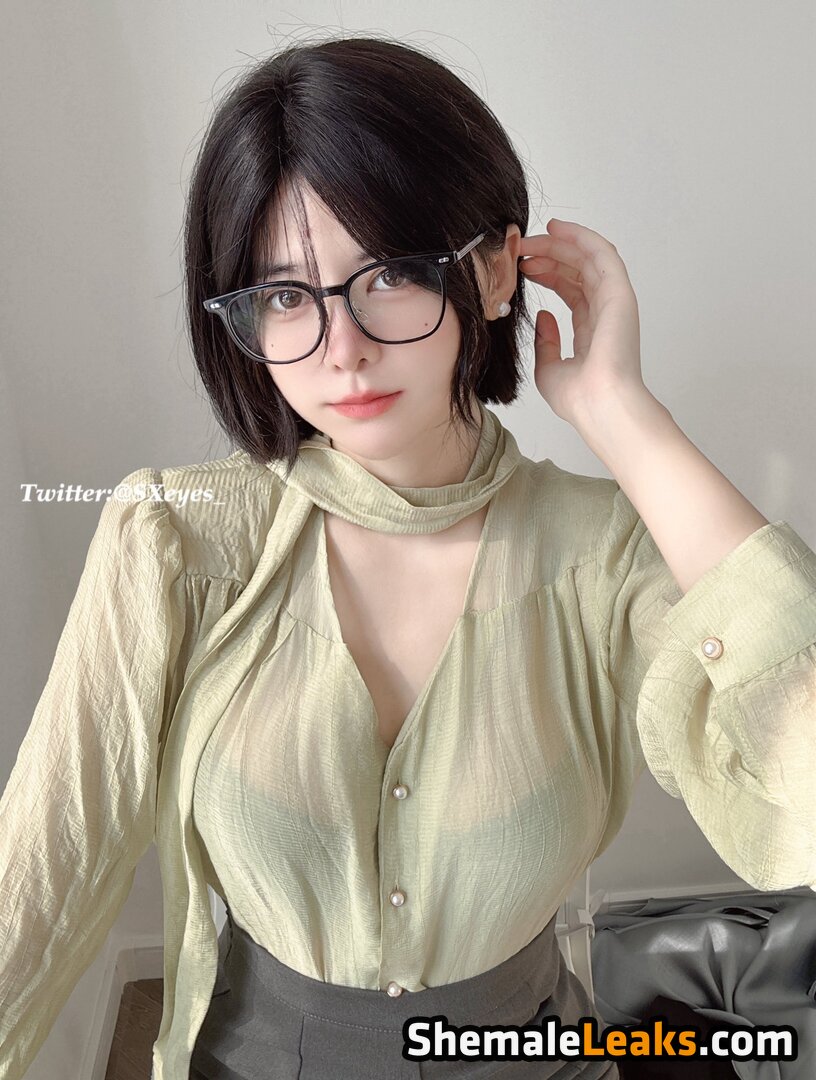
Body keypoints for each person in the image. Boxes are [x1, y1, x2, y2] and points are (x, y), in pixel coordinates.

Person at [1, 33, 815, 1080]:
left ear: (491, 271)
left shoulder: (604, 557)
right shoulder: (175, 541)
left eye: (386, 274)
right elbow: (45, 871)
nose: (340, 350)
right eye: (284, 296)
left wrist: (623, 413)